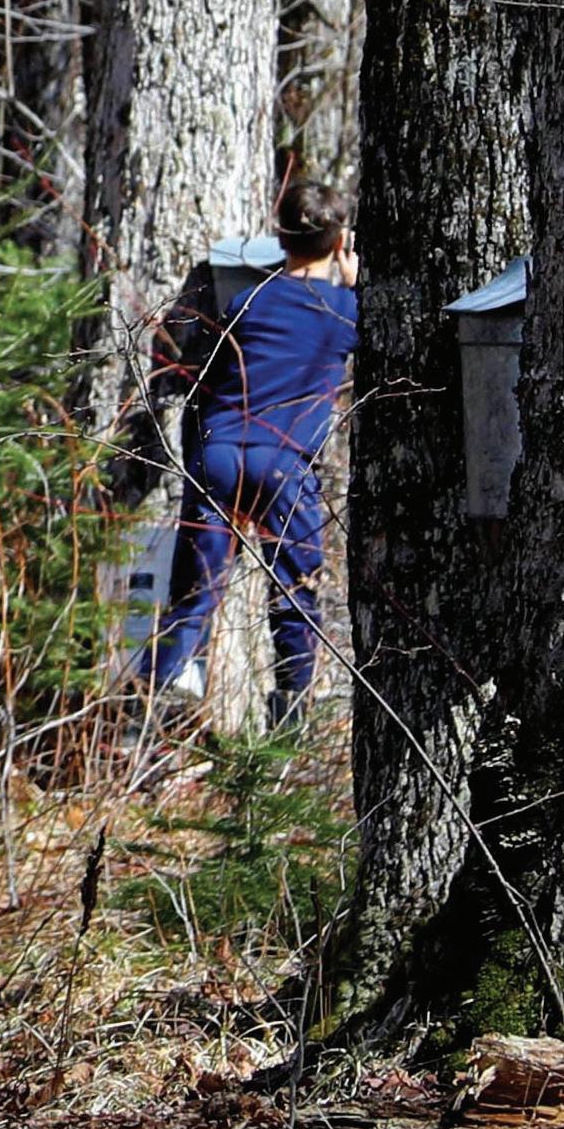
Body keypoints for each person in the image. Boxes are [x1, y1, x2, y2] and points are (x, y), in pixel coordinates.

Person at [144, 176, 360, 729]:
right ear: (340, 242)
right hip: (283, 467)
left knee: (196, 594)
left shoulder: (246, 302)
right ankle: (289, 723)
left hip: (218, 456)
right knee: (294, 594)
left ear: (279, 238)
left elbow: (206, 386)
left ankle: (143, 716)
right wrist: (353, 286)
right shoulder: (345, 311)